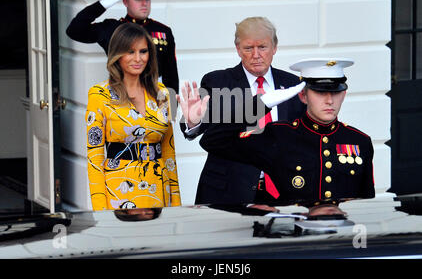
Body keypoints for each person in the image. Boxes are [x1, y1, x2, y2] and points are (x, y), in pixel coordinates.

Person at [182, 58, 375, 209]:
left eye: (335, 92)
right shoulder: (280, 135)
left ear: (344, 94)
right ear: (303, 95)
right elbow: (214, 141)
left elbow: (366, 201)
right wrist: (260, 105)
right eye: (319, 92)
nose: (329, 101)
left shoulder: (360, 141)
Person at [177, 17, 306, 205]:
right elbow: (206, 130)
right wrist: (193, 121)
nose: (256, 54)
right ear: (238, 49)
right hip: (229, 190)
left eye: (262, 47)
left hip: (283, 191)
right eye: (248, 48)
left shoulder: (294, 85)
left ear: (274, 47)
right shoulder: (219, 82)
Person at [85, 23, 181, 211]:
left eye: (143, 51)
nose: (138, 59)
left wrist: (176, 203)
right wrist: (99, 210)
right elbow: (94, 159)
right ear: (117, 55)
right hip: (119, 192)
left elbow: (169, 152)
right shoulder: (99, 95)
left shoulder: (161, 93)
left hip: (158, 190)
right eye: (130, 52)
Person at [67, 0, 179, 93]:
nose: (144, 3)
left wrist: (172, 107)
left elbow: (171, 75)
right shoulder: (112, 28)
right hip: (121, 95)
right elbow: (74, 30)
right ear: (125, 1)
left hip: (154, 95)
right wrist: (102, 5)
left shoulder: (163, 31)